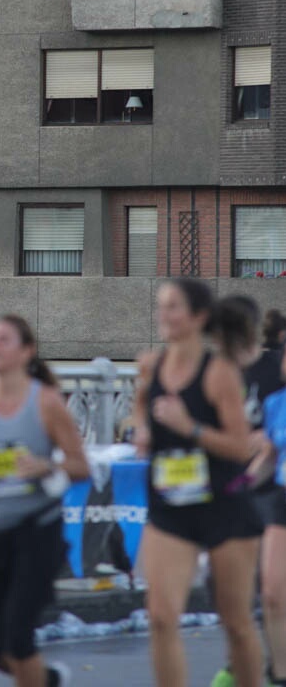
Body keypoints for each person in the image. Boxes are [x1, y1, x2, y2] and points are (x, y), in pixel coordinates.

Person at [0, 314, 89, 687]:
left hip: (34, 532)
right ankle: (44, 679)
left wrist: (46, 465)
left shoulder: (46, 402)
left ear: (27, 351)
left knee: (18, 637)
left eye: (3, 340)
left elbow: (80, 466)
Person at [133, 279, 263, 687]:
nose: (164, 315)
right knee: (160, 617)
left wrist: (189, 428)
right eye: (161, 306)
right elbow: (140, 408)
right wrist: (142, 432)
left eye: (173, 307)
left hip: (223, 506)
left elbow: (242, 447)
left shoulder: (218, 372)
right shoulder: (150, 365)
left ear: (198, 317)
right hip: (170, 506)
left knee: (236, 623)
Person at [208, 296, 286, 687]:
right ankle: (242, 664)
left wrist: (262, 439)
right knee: (234, 589)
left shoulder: (272, 369)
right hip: (239, 487)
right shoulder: (215, 374)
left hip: (273, 493)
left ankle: (274, 667)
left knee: (271, 588)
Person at [260, 380, 286, 686]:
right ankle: (280, 675)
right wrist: (234, 491)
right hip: (282, 500)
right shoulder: (275, 403)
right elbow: (268, 457)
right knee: (273, 592)